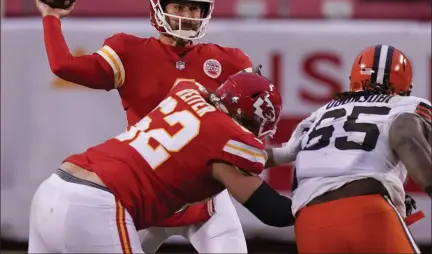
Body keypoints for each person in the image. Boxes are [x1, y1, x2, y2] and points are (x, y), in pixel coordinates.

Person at [35, 0, 257, 253]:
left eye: (194, 8)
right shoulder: (130, 52)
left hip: (206, 201)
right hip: (145, 197)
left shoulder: (230, 62)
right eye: (179, 6)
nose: (187, 16)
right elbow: (64, 66)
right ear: (158, 6)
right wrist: (51, 17)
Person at [28, 73, 296, 253]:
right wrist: (320, 194)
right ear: (252, 121)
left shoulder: (186, 92)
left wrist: (285, 153)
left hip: (53, 189)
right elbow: (273, 211)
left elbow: (212, 142)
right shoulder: (229, 142)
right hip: (96, 205)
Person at [291, 45, 431, 253]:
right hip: (367, 209)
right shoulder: (407, 104)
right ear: (406, 88)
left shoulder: (322, 113)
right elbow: (407, 138)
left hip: (309, 221)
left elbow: (286, 156)